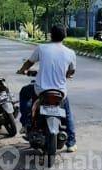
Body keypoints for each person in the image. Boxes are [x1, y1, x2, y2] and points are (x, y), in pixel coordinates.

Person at [16, 25, 77, 153]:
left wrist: (22, 70)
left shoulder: (42, 48)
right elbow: (71, 71)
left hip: (41, 90)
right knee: (67, 112)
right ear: (64, 36)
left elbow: (29, 62)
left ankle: (25, 122)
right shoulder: (70, 53)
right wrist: (66, 75)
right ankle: (71, 143)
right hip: (60, 92)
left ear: (50, 35)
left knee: (24, 93)